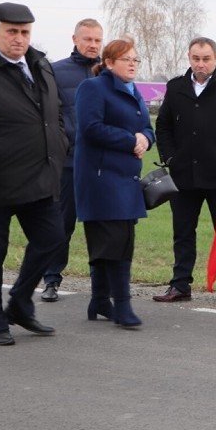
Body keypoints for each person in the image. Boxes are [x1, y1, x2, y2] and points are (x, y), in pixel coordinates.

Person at [0, 2, 68, 346]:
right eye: (11, 31)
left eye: (25, 32)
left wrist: (60, 145)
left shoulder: (40, 64)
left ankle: (19, 303)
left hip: (39, 176)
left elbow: (54, 112)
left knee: (53, 239)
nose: (19, 38)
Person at [153, 37, 216, 305]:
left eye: (206, 59)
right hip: (184, 175)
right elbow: (163, 126)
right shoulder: (176, 87)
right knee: (183, 232)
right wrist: (170, 157)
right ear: (189, 58)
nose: (201, 64)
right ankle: (180, 284)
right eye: (196, 58)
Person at [74, 37, 154, 328]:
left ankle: (98, 300)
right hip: (101, 178)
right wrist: (131, 140)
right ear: (109, 63)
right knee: (116, 241)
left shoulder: (133, 91)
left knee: (113, 240)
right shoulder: (93, 88)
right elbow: (91, 128)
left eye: (136, 59)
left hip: (126, 178)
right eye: (126, 59)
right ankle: (121, 305)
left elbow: (145, 125)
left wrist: (146, 137)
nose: (133, 64)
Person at [40, 18, 104, 303]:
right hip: (68, 164)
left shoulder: (109, 73)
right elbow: (46, 116)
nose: (92, 45)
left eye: (97, 40)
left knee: (103, 227)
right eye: (87, 39)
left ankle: (103, 286)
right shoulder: (55, 71)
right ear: (75, 39)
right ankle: (52, 279)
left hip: (102, 166)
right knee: (61, 224)